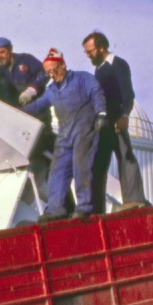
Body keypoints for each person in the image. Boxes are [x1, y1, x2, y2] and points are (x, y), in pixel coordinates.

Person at [23, 48, 107, 223]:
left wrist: (101, 113)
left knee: (81, 167)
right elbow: (38, 105)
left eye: (53, 70)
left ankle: (84, 207)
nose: (51, 75)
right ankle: (55, 209)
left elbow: (96, 91)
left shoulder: (82, 78)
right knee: (57, 170)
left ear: (63, 65)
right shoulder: (51, 90)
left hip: (84, 129)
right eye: (48, 72)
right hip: (64, 134)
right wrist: (17, 111)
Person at [82, 31, 149, 213]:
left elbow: (128, 93)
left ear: (101, 48)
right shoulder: (99, 69)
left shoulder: (118, 64)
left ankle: (134, 198)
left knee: (125, 156)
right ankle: (97, 208)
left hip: (116, 120)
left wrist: (124, 116)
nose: (88, 55)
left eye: (90, 51)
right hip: (102, 123)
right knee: (99, 164)